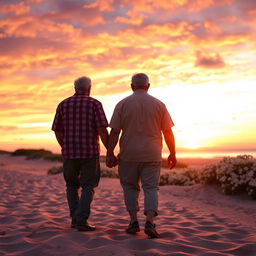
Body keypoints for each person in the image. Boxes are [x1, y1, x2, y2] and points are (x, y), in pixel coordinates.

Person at [106, 73, 176, 238]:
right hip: (151, 154)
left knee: (130, 187)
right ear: (148, 86)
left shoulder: (122, 104)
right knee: (151, 188)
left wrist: (109, 152)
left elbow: (114, 131)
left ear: (131, 86)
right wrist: (172, 153)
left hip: (128, 154)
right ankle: (150, 222)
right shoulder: (159, 104)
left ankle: (133, 222)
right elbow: (167, 131)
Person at [52, 76, 108, 231]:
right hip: (89, 152)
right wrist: (109, 149)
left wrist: (64, 145)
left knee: (71, 185)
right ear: (89, 88)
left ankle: (74, 219)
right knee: (88, 185)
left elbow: (56, 129)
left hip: (69, 153)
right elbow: (102, 129)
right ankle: (81, 220)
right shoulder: (95, 104)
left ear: (74, 88)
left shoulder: (63, 104)